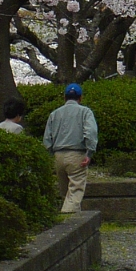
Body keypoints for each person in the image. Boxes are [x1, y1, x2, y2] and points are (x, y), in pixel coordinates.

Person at [43, 82, 99, 214]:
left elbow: (47, 138)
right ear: (80, 98)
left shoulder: (54, 114)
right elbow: (90, 133)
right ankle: (67, 221)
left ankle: (73, 221)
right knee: (75, 191)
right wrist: (89, 153)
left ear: (64, 97)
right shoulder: (85, 112)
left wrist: (52, 153)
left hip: (58, 155)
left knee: (65, 192)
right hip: (76, 154)